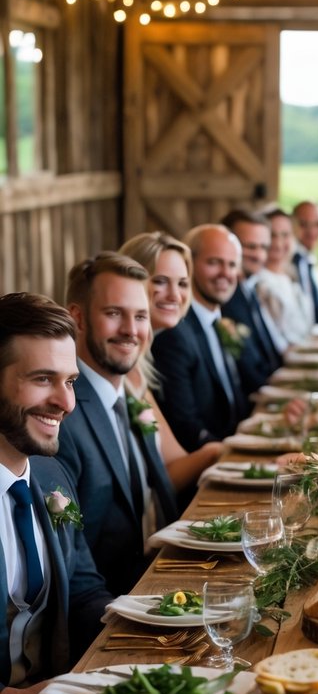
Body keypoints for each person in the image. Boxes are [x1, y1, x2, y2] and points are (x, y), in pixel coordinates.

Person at [0, 293, 110, 694]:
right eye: (42, 379)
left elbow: (83, 589)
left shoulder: (50, 475)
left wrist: (144, 625)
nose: (66, 402)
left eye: (70, 381)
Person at [57, 253, 178, 596]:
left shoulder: (129, 395)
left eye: (140, 316)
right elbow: (71, 563)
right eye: (114, 314)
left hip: (159, 581)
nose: (131, 330)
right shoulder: (63, 414)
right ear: (77, 319)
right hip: (108, 607)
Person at [118, 231, 225, 498]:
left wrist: (234, 454)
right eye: (160, 281)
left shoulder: (140, 366)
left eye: (183, 283)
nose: (175, 295)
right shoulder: (119, 366)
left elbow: (173, 464)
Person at [152, 225, 250, 452]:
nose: (226, 273)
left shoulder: (217, 320)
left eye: (232, 264)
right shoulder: (175, 334)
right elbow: (185, 426)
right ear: (190, 265)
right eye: (214, 262)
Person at [220, 208, 283, 393]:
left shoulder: (249, 288)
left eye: (263, 247)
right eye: (250, 246)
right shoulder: (225, 299)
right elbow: (247, 373)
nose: (258, 255)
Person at [258, 205, 314, 345]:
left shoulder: (291, 274)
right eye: (272, 235)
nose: (278, 243)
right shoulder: (260, 283)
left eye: (285, 235)